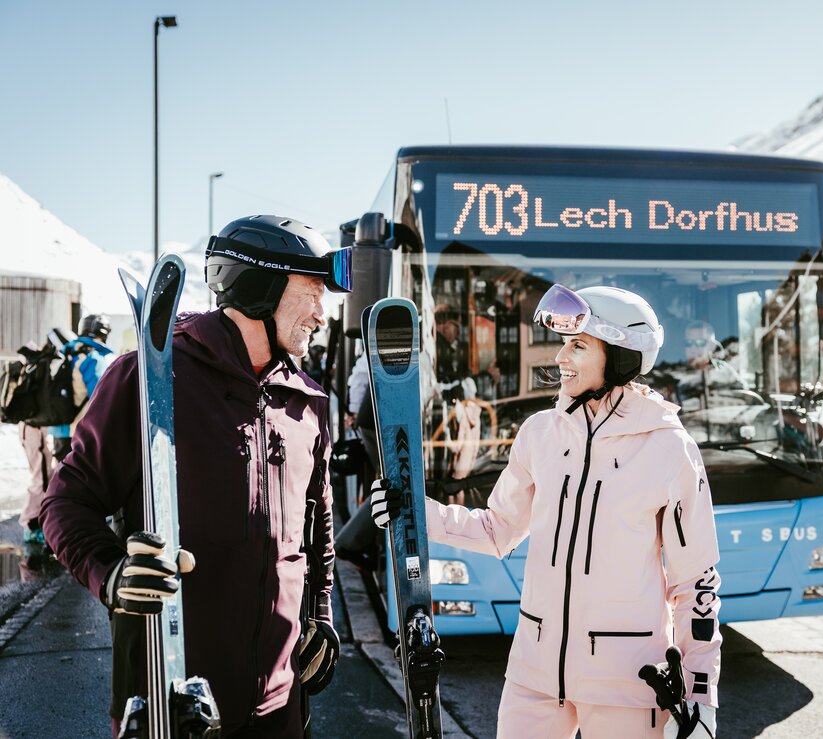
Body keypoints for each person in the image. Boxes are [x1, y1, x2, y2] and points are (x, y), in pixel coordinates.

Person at [40, 215, 350, 737]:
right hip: (171, 700)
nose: (323, 313)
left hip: (280, 706)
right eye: (313, 290)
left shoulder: (308, 401)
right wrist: (111, 574)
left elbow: (316, 529)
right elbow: (65, 502)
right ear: (260, 287)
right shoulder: (150, 377)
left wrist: (319, 617)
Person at [372, 284, 722, 739]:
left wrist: (700, 695)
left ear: (620, 355)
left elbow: (695, 582)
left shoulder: (670, 449)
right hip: (534, 674)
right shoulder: (540, 434)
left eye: (578, 345)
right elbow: (497, 530)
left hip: (629, 680)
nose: (560, 357)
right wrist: (416, 513)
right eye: (563, 344)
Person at [48, 313, 116, 462]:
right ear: (104, 333)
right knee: (81, 479)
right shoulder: (94, 358)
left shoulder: (64, 352)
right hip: (80, 430)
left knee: (63, 475)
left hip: (59, 426)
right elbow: (100, 398)